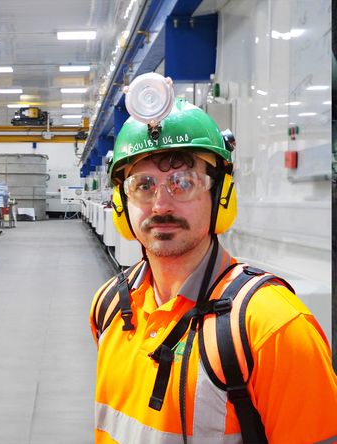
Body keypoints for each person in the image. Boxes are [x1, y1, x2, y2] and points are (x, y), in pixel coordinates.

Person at [89, 85, 337, 443]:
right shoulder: (109, 306)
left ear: (221, 195)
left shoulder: (272, 327)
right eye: (144, 185)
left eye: (183, 183)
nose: (160, 206)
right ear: (121, 203)